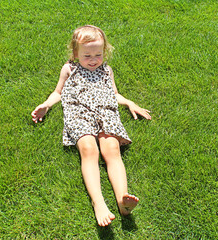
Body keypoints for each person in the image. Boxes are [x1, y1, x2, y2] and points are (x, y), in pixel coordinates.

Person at [31, 25, 151, 227]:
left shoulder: (107, 70)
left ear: (105, 52)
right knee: (89, 149)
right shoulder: (69, 69)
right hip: (79, 112)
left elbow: (114, 93)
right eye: (87, 55)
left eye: (98, 54)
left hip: (105, 111)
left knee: (112, 149)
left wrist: (130, 102)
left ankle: (123, 200)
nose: (94, 59)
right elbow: (58, 92)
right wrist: (46, 105)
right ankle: (99, 203)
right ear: (75, 53)